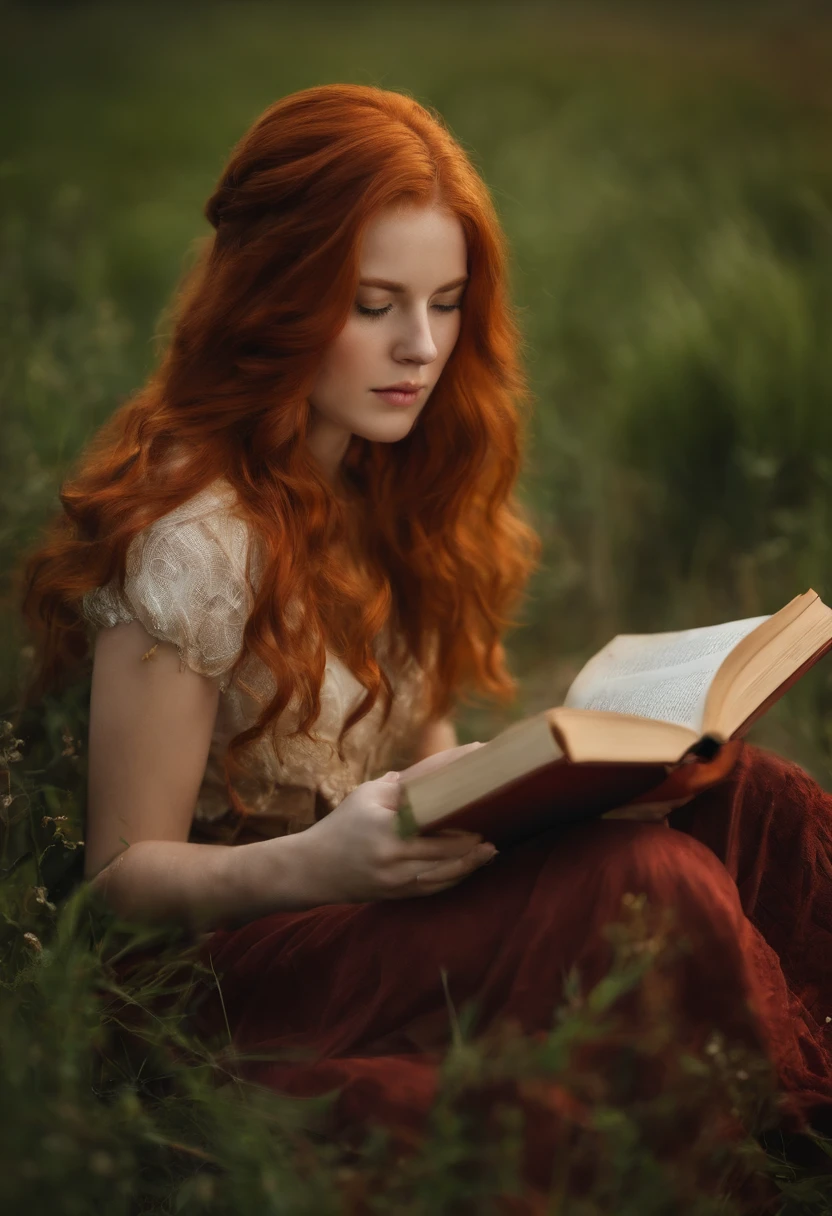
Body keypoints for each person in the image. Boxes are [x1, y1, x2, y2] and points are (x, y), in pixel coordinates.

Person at [17, 83, 832, 1199]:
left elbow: (422, 763)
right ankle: (763, 1123)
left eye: (446, 303)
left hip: (374, 892)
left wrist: (574, 787)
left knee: (759, 802)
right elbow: (119, 879)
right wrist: (321, 861)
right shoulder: (196, 537)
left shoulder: (390, 480)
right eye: (373, 305)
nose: (420, 347)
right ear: (275, 296)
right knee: (643, 877)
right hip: (244, 963)